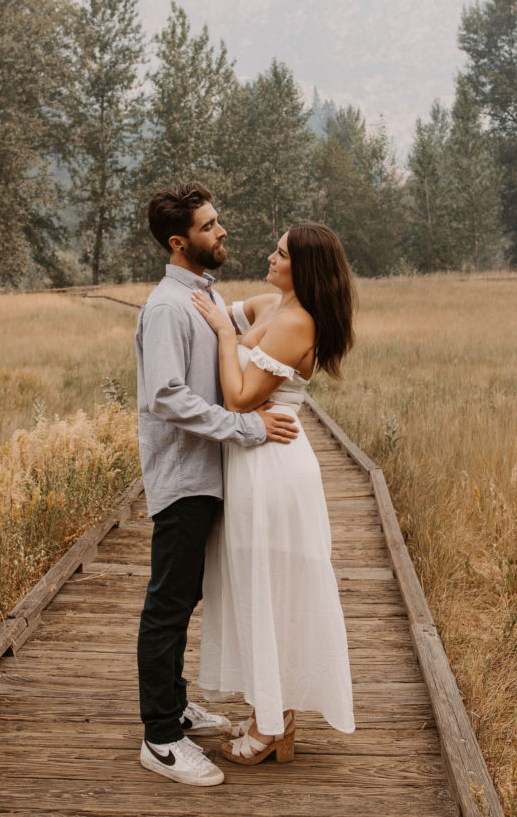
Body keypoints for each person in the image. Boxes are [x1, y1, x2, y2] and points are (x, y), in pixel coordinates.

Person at [135, 181, 298, 787]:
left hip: (208, 473)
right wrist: (244, 427)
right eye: (208, 226)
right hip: (184, 475)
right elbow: (164, 395)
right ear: (180, 242)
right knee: (168, 604)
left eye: (217, 220)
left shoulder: (203, 296)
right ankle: (161, 737)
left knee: (185, 598)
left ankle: (174, 702)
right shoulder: (167, 307)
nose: (221, 230)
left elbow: (251, 326)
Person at [192, 222, 356, 764]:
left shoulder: (297, 323)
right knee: (253, 585)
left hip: (274, 466)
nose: (269, 255)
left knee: (272, 588)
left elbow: (238, 398)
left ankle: (273, 726)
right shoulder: (270, 305)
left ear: (301, 267)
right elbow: (213, 304)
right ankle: (270, 708)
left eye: (280, 253)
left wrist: (223, 335)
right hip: (250, 462)